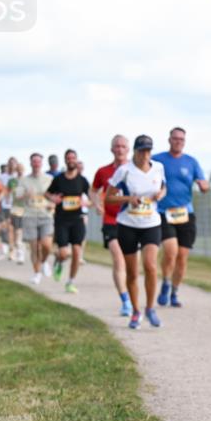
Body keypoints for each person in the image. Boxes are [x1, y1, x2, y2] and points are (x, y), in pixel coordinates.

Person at [105, 135, 166, 329]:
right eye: (141, 151)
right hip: (128, 224)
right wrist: (128, 199)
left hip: (151, 223)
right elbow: (109, 198)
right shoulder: (124, 171)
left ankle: (150, 308)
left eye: (148, 151)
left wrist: (160, 195)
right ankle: (135, 311)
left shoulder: (158, 167)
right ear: (135, 151)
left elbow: (164, 187)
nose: (144, 155)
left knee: (150, 266)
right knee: (132, 273)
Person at [153, 127, 209, 308]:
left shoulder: (191, 162)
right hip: (163, 212)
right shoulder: (158, 160)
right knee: (170, 252)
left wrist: (203, 185)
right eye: (175, 138)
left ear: (184, 142)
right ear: (169, 140)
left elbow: (203, 183)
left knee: (182, 257)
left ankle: (174, 292)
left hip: (185, 213)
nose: (178, 141)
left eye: (181, 139)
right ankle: (166, 282)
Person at [92, 134, 133, 316]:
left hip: (133, 221)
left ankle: (132, 295)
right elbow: (93, 190)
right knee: (118, 259)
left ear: (128, 149)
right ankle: (125, 300)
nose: (120, 149)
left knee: (132, 264)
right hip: (111, 221)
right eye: (116, 146)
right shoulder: (103, 172)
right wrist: (97, 204)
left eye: (123, 146)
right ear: (111, 149)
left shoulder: (136, 170)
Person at [45, 149, 90, 293]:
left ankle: (70, 282)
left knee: (77, 251)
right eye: (68, 158)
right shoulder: (59, 179)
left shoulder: (82, 180)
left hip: (77, 219)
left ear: (76, 160)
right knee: (64, 253)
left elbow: (92, 196)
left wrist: (86, 204)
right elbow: (47, 193)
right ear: (65, 161)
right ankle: (59, 261)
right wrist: (53, 199)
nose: (71, 160)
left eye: (73, 158)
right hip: (62, 220)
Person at [17, 153, 54, 284]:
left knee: (46, 245)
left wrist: (52, 204)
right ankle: (37, 273)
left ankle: (44, 262)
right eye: (34, 161)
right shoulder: (24, 180)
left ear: (41, 163)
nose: (36, 164)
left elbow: (55, 196)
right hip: (30, 216)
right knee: (34, 247)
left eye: (39, 162)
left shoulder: (49, 179)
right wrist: (27, 194)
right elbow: (18, 196)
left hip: (45, 216)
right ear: (31, 163)